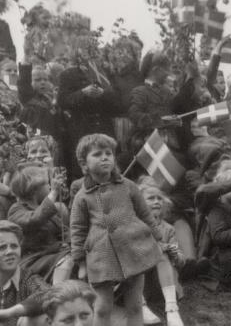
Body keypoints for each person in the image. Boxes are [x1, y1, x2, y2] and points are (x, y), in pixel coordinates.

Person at [69, 134, 163, 326]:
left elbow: (146, 215)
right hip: (101, 256)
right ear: (84, 164)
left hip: (134, 249)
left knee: (135, 305)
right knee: (102, 307)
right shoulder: (82, 196)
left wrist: (158, 239)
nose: (105, 157)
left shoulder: (129, 186)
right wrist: (80, 263)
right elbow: (77, 229)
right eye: (97, 154)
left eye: (108, 153)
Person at [8, 165, 73, 284]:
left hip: (53, 256)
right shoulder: (16, 210)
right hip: (33, 260)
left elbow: (64, 231)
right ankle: (57, 297)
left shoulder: (47, 209)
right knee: (68, 259)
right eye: (47, 184)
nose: (50, 187)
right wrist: (53, 193)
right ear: (34, 189)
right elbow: (34, 220)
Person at [139, 182, 185, 326]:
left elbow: (180, 262)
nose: (156, 201)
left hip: (163, 283)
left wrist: (175, 253)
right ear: (139, 203)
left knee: (163, 255)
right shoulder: (135, 225)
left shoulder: (168, 229)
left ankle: (172, 310)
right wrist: (158, 247)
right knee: (159, 252)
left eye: (159, 198)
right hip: (139, 279)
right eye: (151, 198)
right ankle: (141, 306)